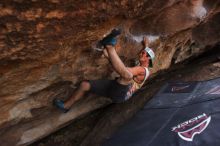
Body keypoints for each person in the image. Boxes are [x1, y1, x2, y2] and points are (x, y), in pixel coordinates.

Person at [54, 36, 155, 113]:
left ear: (148, 58)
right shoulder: (144, 63)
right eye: (141, 52)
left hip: (121, 94)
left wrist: (109, 57)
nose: (140, 54)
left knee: (127, 76)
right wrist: (146, 45)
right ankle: (66, 106)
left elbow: (124, 70)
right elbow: (146, 56)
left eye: (143, 53)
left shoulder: (143, 70)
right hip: (115, 87)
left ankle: (109, 46)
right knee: (84, 85)